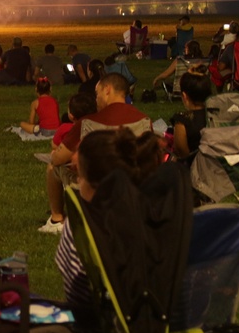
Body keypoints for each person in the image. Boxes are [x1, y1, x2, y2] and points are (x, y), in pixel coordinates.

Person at [55, 127, 164, 317]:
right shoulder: (160, 218)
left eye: (80, 177)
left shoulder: (80, 229)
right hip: (163, 328)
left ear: (93, 183)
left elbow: (76, 297)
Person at [40, 73, 151, 235]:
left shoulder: (88, 122)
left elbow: (58, 158)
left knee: (52, 166)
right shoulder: (144, 120)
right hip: (131, 188)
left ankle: (56, 219)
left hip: (93, 190)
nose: (96, 99)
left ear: (107, 90)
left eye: (97, 93)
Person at [170, 66, 212, 159]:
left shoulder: (182, 121)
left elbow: (183, 155)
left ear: (185, 96)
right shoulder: (218, 115)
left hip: (193, 169)